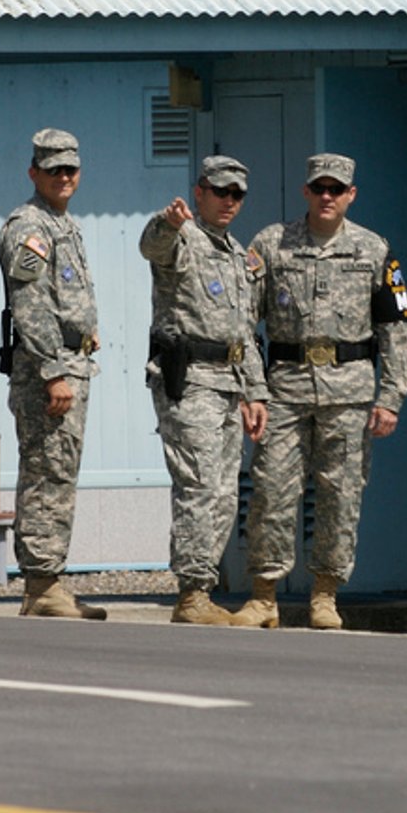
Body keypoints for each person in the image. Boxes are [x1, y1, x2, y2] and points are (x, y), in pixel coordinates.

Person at [230, 153, 407, 630]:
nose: (328, 196)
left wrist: (391, 397)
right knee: (271, 490)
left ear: (351, 195)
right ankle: (264, 596)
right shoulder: (272, 245)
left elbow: (396, 329)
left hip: (350, 392)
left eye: (337, 189)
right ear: (306, 192)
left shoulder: (374, 250)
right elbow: (244, 324)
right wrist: (254, 390)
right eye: (320, 188)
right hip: (285, 388)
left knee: (341, 494)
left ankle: (325, 596)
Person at [140, 155, 269, 626]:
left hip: (230, 384)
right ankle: (192, 593)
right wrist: (166, 222)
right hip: (189, 379)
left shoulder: (239, 255)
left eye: (237, 194)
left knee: (222, 493)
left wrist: (256, 393)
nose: (229, 201)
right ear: (200, 192)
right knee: (197, 484)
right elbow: (153, 247)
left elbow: (246, 332)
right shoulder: (183, 238)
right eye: (221, 192)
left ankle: (202, 589)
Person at [0, 128, 106, 620]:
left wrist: (86, 332)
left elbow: (61, 301)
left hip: (70, 364)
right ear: (33, 173)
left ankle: (50, 582)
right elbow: (31, 305)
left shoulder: (63, 224)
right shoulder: (30, 228)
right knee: (46, 473)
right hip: (50, 372)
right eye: (53, 169)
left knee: (59, 474)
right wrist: (52, 371)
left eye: (70, 169)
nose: (64, 177)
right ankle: (41, 584)